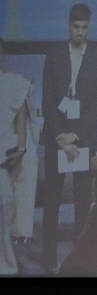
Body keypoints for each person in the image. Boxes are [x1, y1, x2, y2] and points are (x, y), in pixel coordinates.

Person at [39, 3, 97, 272]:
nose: (80, 32)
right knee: (51, 204)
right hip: (55, 138)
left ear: (89, 27)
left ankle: (79, 262)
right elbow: (47, 99)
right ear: (68, 26)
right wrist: (60, 136)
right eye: (76, 27)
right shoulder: (53, 54)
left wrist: (75, 135)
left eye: (84, 27)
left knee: (82, 203)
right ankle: (48, 262)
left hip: (84, 139)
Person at [0, 39, 35, 275]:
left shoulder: (15, 83)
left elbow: (21, 120)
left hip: (3, 156)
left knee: (4, 210)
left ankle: (5, 261)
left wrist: (21, 149)